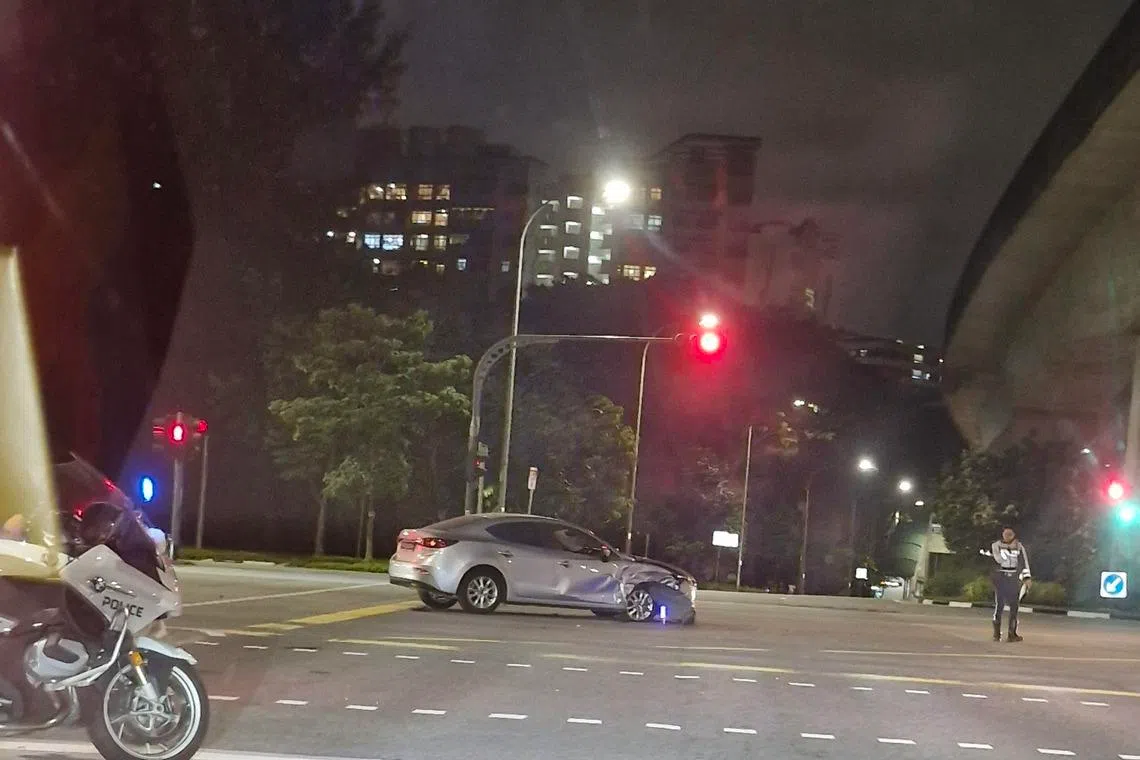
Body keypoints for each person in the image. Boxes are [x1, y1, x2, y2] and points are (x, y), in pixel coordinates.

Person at [990, 527, 1032, 642]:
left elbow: (1024, 562)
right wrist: (1009, 550)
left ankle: (1011, 633)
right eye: (1005, 533)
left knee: (1014, 607)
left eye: (1010, 533)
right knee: (999, 605)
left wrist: (1027, 578)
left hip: (1014, 578)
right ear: (1002, 534)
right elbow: (997, 560)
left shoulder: (1019, 546)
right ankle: (996, 634)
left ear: (1014, 534)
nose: (1007, 535)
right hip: (1001, 578)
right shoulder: (996, 545)